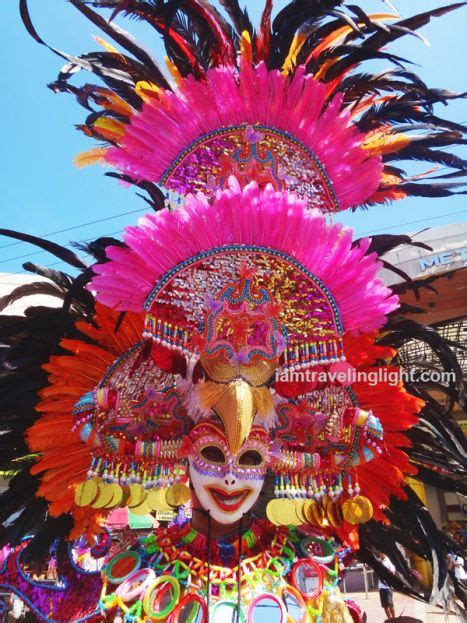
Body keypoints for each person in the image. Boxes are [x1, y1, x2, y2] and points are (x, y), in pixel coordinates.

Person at [376, 551, 396, 620]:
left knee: (390, 603)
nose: (381, 554)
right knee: (385, 605)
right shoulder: (377, 561)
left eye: (382, 552)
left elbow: (393, 571)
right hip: (381, 586)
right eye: (379, 553)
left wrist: (389, 571)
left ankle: (394, 619)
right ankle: (389, 619)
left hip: (388, 586)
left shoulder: (389, 560)